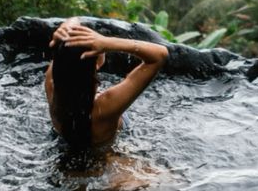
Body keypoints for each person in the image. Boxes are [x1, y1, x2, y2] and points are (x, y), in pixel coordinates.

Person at [45, 18, 168, 150]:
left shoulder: (52, 86)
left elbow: (74, 21)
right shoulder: (106, 107)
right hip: (104, 154)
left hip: (66, 144)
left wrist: (64, 30)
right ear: (97, 63)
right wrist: (108, 42)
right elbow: (159, 55)